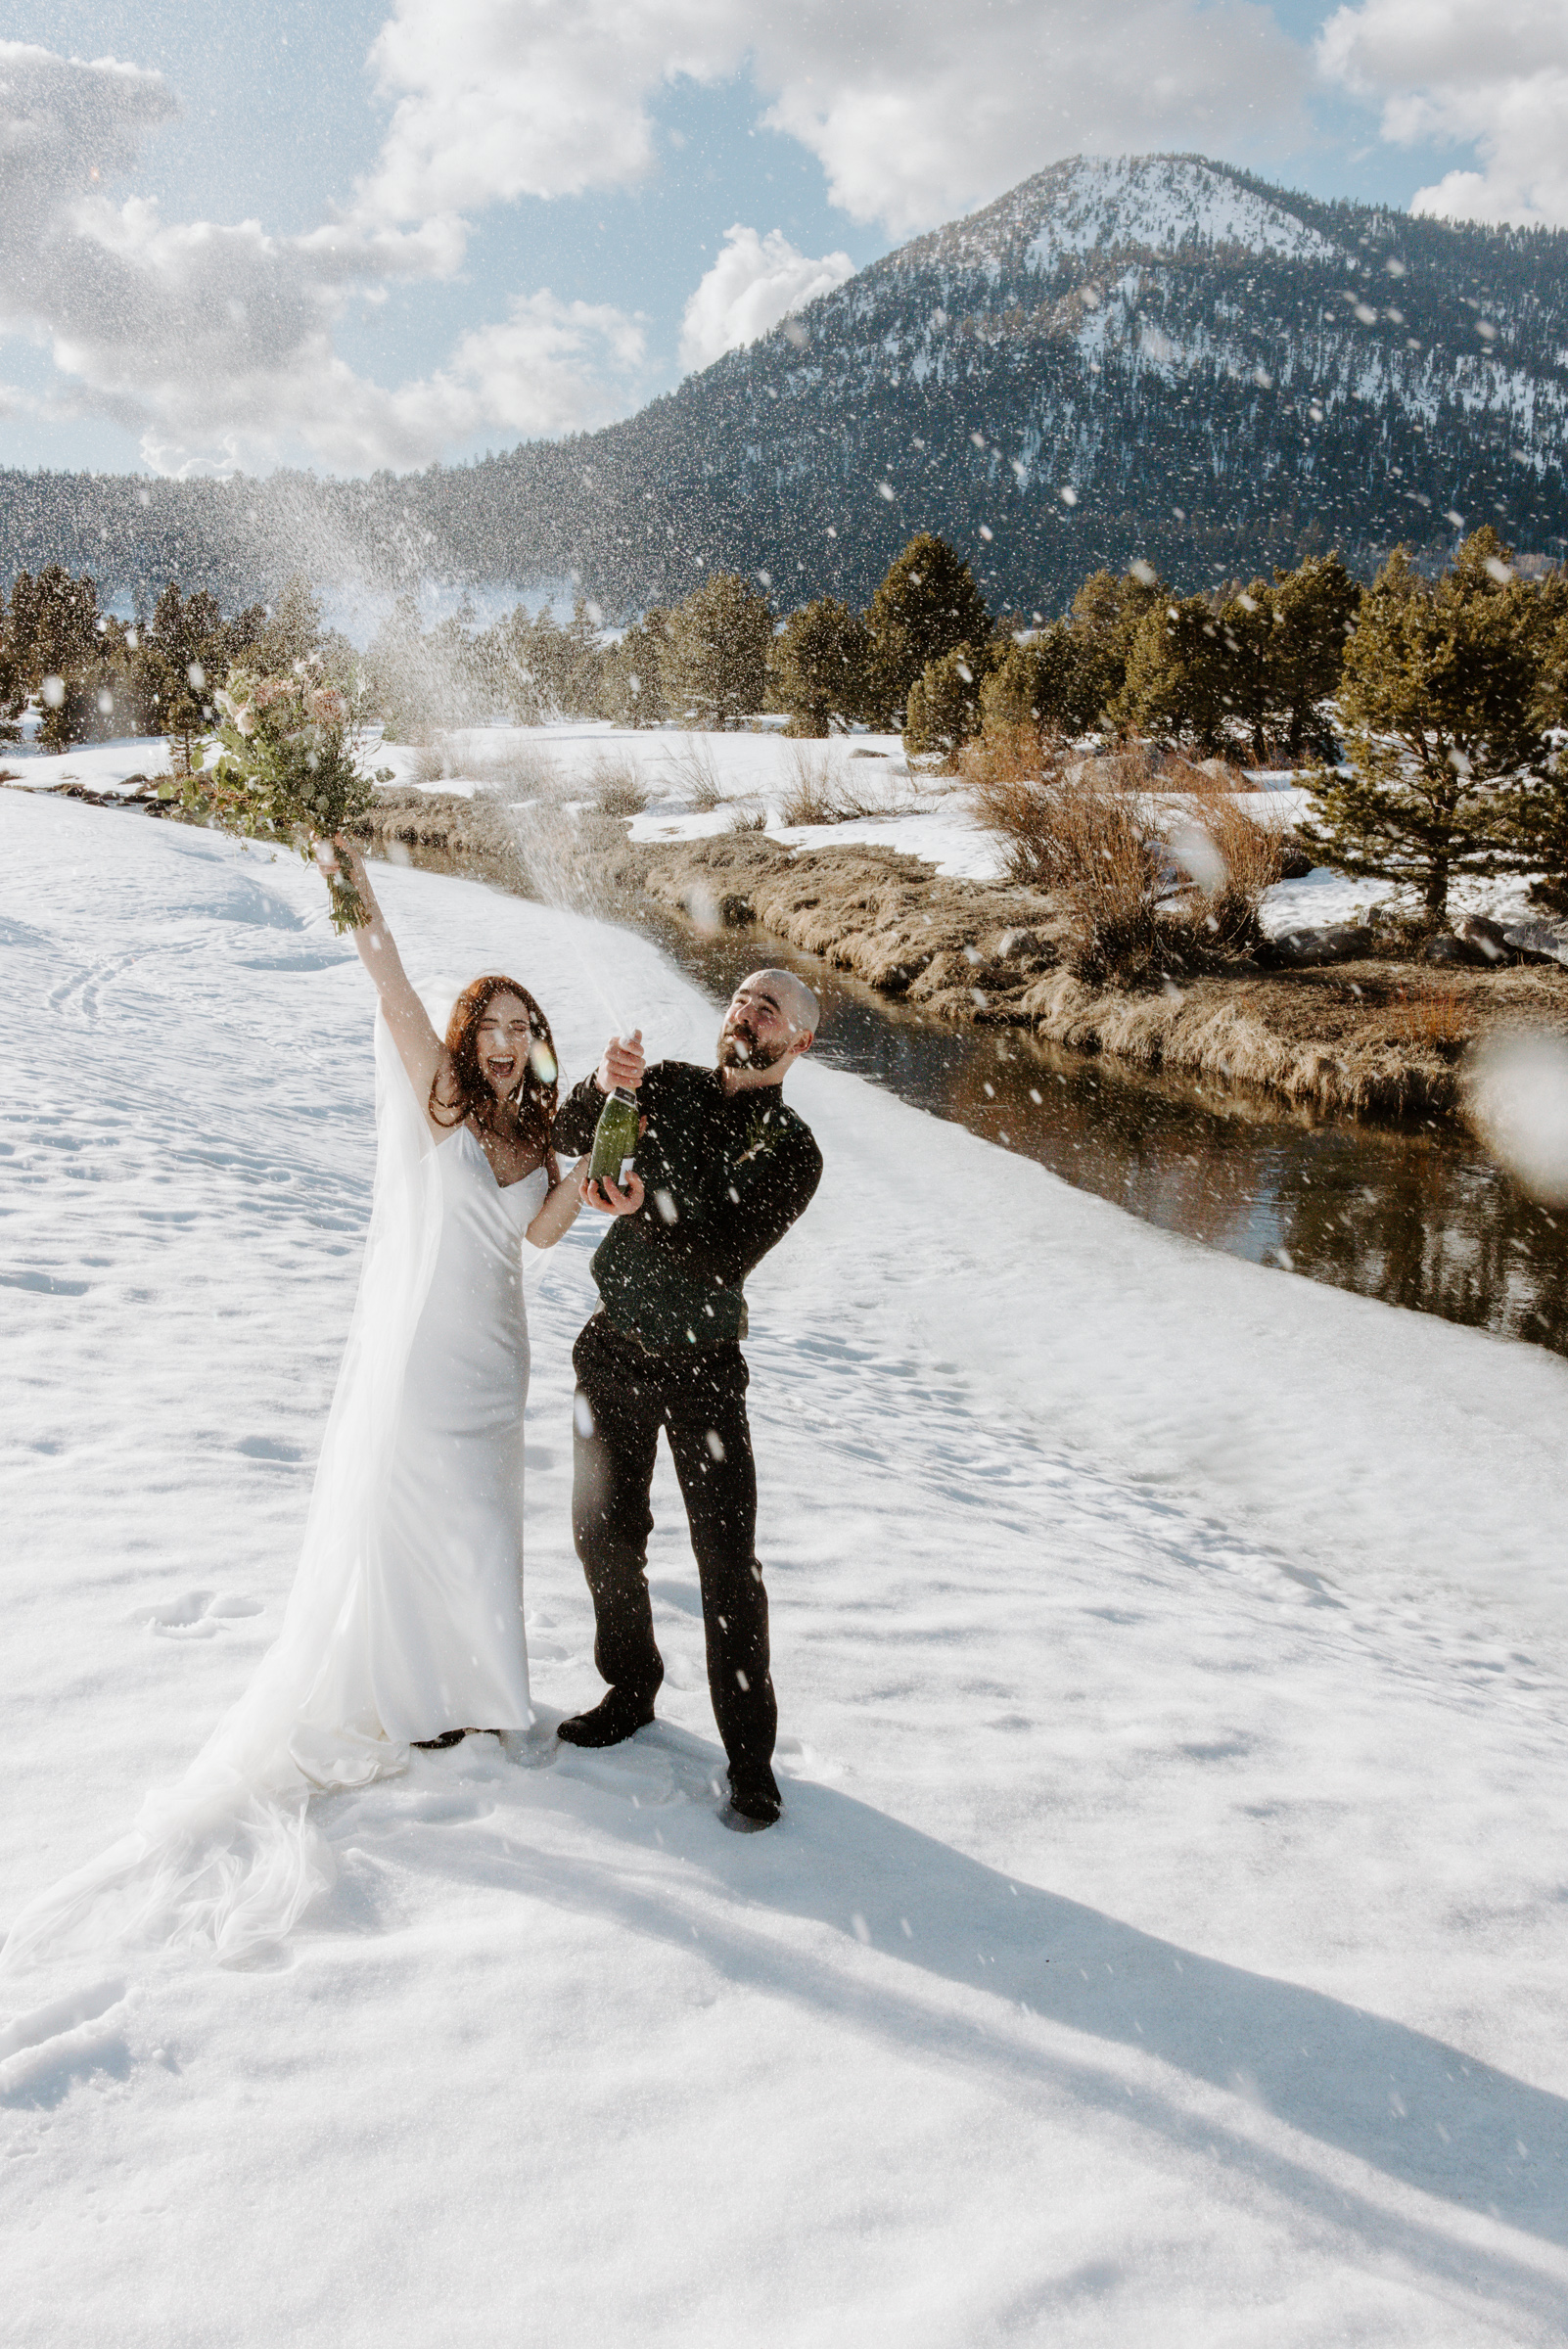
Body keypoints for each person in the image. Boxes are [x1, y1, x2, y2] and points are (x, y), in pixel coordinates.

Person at [4, 838, 583, 1966]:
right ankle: (413, 1693)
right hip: (429, 1355)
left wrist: (596, 1186)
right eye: (495, 1025)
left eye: (524, 1027)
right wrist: (346, 879)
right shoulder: (445, 1101)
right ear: (472, 1036)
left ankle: (480, 1689)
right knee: (418, 1520)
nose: (509, 1043)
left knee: (482, 1525)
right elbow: (391, 981)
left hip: (500, 1355)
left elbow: (546, 1234)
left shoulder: (535, 1130)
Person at [552, 969, 823, 1831]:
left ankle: (751, 1765)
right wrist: (605, 1090)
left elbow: (723, 1254)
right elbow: (566, 1135)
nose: (748, 1013)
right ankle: (630, 1690)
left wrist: (643, 1209)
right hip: (613, 1345)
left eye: (770, 1009)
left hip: (703, 1371)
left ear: (799, 1043)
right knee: (603, 1533)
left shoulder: (792, 1147)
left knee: (726, 1570)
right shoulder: (660, 1083)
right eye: (743, 999)